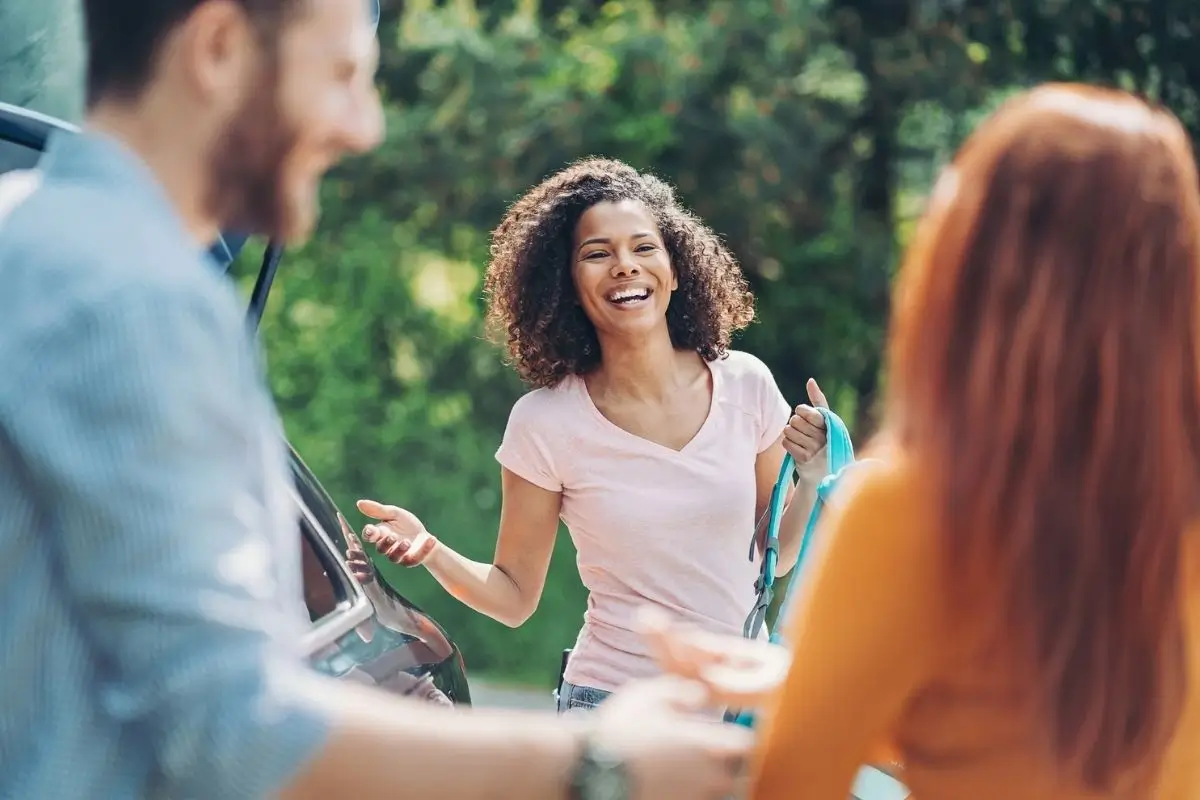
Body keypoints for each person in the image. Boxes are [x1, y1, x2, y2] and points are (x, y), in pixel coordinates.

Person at [0, 0, 753, 798]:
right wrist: (603, 763)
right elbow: (229, 726)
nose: (365, 127)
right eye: (343, 76)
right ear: (220, 47)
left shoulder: (33, 243)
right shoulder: (127, 296)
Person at [644, 84, 1200, 800]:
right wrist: (818, 683)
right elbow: (1056, 725)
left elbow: (788, 786)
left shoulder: (915, 510)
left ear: (967, 267)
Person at [355, 157, 833, 713]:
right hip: (612, 707)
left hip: (737, 709)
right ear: (568, 285)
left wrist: (816, 473)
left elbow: (771, 557)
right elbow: (512, 597)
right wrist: (431, 549)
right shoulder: (546, 423)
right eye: (597, 254)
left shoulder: (747, 384)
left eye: (644, 248)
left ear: (676, 269)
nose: (625, 266)